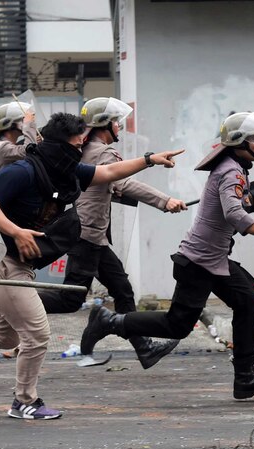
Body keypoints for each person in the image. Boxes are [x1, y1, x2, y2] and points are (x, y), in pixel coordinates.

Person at [0, 112, 183, 419]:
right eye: (76, 143)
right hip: (4, 263)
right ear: (59, 144)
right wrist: (16, 231)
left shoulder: (66, 170)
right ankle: (25, 401)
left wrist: (150, 159)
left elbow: (110, 171)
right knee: (37, 336)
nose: (80, 148)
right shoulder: (23, 171)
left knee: (6, 337)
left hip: (21, 264)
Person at [81, 112, 254, 400]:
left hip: (214, 259)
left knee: (248, 304)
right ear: (240, 142)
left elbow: (238, 201)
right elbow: (234, 212)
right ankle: (110, 322)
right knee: (177, 324)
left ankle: (245, 378)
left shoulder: (235, 167)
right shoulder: (230, 170)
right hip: (200, 261)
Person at [37, 97, 185, 368]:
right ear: (106, 125)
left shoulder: (84, 149)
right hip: (87, 236)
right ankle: (13, 303)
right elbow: (124, 184)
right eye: (116, 122)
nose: (119, 126)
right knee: (71, 298)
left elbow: (112, 187)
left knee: (122, 290)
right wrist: (165, 200)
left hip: (92, 236)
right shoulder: (104, 153)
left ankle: (144, 348)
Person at [0, 101, 41, 175]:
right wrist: (29, 124)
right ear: (11, 124)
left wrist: (36, 142)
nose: (25, 123)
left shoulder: (8, 145)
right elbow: (28, 151)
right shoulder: (2, 146)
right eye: (23, 120)